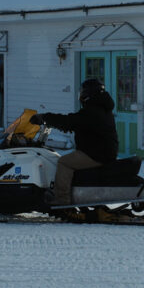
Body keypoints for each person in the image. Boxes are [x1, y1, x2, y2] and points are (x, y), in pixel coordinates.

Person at [30, 79, 118, 207]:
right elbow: (74, 122)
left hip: (97, 153)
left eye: (82, 92)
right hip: (100, 151)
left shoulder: (93, 111)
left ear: (88, 94)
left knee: (64, 163)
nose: (81, 95)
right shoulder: (101, 108)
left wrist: (45, 117)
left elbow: (70, 121)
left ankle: (62, 199)